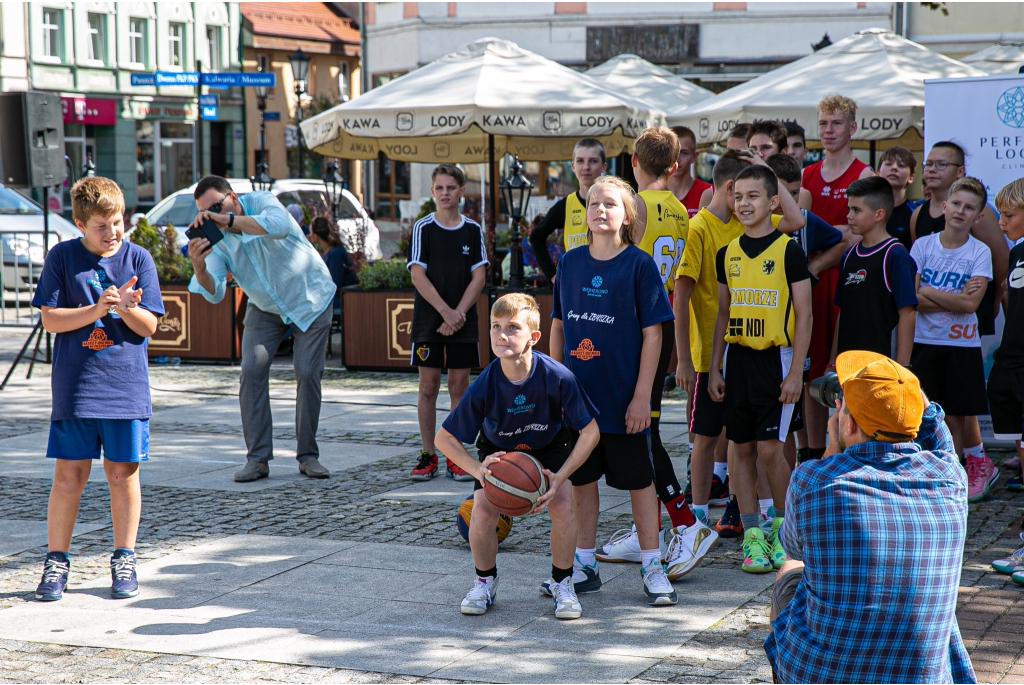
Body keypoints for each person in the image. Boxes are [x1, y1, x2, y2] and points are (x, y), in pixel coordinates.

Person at [765, 351, 975, 684]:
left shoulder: (812, 481)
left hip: (825, 673)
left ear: (846, 423)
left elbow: (793, 547)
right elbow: (940, 437)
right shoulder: (950, 477)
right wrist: (908, 395)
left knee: (790, 570)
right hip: (920, 677)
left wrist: (834, 444)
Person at [31, 177, 164, 602]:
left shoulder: (139, 258)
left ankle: (124, 557)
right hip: (77, 387)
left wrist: (127, 308)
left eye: (118, 222)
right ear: (80, 223)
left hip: (124, 388)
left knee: (122, 473)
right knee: (69, 475)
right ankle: (57, 562)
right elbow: (51, 320)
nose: (113, 233)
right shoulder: (62, 257)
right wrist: (96, 309)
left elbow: (150, 327)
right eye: (102, 226)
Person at [550, 175, 678, 606]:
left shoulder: (639, 265)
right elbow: (558, 328)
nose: (599, 210)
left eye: (610, 204)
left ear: (628, 216)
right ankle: (585, 565)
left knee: (640, 484)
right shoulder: (569, 263)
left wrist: (644, 394)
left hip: (625, 400)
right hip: (579, 401)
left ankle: (652, 565)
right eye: (592, 203)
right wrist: (554, 384)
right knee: (583, 483)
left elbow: (654, 335)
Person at [597, 126, 719, 579]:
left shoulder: (636, 207)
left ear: (633, 159)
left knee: (641, 432)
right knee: (639, 431)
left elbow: (616, 264)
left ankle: (686, 522)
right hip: (663, 320)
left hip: (634, 328)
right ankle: (644, 526)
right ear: (675, 165)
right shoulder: (681, 210)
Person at [436, 293, 601, 619]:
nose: (501, 335)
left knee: (565, 505)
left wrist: (561, 476)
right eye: (496, 327)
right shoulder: (485, 383)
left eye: (512, 327)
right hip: (500, 452)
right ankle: (485, 581)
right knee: (481, 511)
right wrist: (478, 470)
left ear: (533, 337)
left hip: (549, 447)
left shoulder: (558, 376)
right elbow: (444, 438)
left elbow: (591, 432)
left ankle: (562, 583)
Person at [187, 175, 336, 482]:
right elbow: (214, 292)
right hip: (265, 307)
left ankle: (308, 456)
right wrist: (199, 267)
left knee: (307, 372)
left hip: (310, 297)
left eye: (216, 205)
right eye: (205, 212)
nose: (211, 214)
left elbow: (279, 227)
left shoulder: (261, 200)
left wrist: (227, 220)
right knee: (252, 370)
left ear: (233, 196)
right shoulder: (217, 240)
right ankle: (257, 459)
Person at [709, 165, 813, 574]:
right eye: (739, 196)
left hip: (777, 360)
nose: (744, 203)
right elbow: (721, 315)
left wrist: (796, 374)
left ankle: (785, 533)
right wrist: (716, 367)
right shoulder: (727, 253)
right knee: (741, 447)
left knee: (772, 449)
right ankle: (753, 535)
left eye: (754, 196)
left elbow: (804, 316)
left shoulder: (788, 249)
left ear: (773, 202)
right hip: (739, 360)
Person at [674, 151, 752, 533]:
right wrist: (684, 361)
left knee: (739, 438)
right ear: (730, 188)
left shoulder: (746, 223)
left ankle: (737, 508)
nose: (749, 203)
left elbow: (793, 219)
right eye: (744, 193)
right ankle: (698, 513)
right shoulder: (699, 227)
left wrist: (764, 168)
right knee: (705, 437)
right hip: (706, 354)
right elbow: (681, 294)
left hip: (743, 350)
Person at [910, 176, 996, 500]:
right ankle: (923, 481)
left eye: (970, 207)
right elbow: (911, 297)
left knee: (955, 419)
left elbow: (970, 305)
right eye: (956, 204)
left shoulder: (980, 252)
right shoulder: (922, 246)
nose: (961, 211)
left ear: (979, 216)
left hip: (961, 345)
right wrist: (949, 296)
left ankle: (950, 485)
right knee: (922, 417)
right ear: (944, 206)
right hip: (924, 343)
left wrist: (928, 291)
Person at [799, 94, 874, 463]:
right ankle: (815, 455)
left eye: (837, 123)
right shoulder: (806, 175)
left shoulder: (864, 174)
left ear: (852, 128)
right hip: (813, 282)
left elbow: (858, 235)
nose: (829, 131)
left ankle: (853, 450)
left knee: (847, 370)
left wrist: (828, 235)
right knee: (811, 372)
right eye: (824, 123)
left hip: (848, 280)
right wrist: (834, 233)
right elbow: (805, 231)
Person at [406, 164, 488, 482]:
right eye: (439, 188)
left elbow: (478, 277)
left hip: (463, 319)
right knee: (428, 387)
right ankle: (429, 454)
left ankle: (455, 455)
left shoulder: (473, 230)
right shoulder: (423, 228)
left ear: (461, 191)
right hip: (430, 319)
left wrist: (458, 314)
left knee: (459, 387)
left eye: (450, 188)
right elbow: (417, 274)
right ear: (432, 192)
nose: (445, 193)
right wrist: (445, 312)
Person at [765, 152, 847, 468]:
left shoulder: (803, 223)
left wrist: (812, 269)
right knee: (772, 417)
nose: (790, 198)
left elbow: (839, 241)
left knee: (798, 397)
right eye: (783, 191)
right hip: (761, 334)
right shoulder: (752, 223)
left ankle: (807, 462)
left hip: (797, 328)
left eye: (795, 191)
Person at [910, 141, 1009, 337]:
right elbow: (914, 282)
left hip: (967, 326)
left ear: (960, 171)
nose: (932, 170)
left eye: (941, 164)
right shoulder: (918, 214)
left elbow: (1002, 261)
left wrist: (994, 301)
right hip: (927, 327)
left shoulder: (980, 215)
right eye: (928, 164)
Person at [832, 176, 918, 364]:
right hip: (848, 365)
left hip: (882, 366)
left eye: (856, 210)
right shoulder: (848, 256)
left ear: (879, 215)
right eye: (849, 209)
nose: (849, 216)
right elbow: (842, 312)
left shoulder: (896, 256)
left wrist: (902, 368)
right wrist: (833, 362)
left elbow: (907, 314)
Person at [988, 179, 1024, 499]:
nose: (1001, 223)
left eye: (1009, 215)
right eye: (999, 214)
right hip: (1009, 360)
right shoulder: (1016, 253)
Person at [529, 138, 607, 282]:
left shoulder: (614, 205)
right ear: (572, 166)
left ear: (603, 166)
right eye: (580, 161)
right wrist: (553, 276)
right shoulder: (565, 206)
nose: (586, 167)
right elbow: (536, 237)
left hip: (608, 283)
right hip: (575, 286)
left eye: (593, 161)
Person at [310, 216, 357, 314]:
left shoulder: (336, 253)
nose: (309, 236)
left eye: (311, 233)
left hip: (339, 299)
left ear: (316, 236)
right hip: (330, 297)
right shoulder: (327, 253)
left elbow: (336, 283)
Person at [877, 146, 917, 250]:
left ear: (911, 177)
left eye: (901, 165)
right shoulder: (865, 209)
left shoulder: (915, 213)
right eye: (888, 164)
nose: (894, 168)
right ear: (877, 173)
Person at [668, 125, 712, 219]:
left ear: (694, 157)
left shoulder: (708, 191)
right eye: (672, 152)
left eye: (683, 153)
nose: (677, 159)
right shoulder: (655, 192)